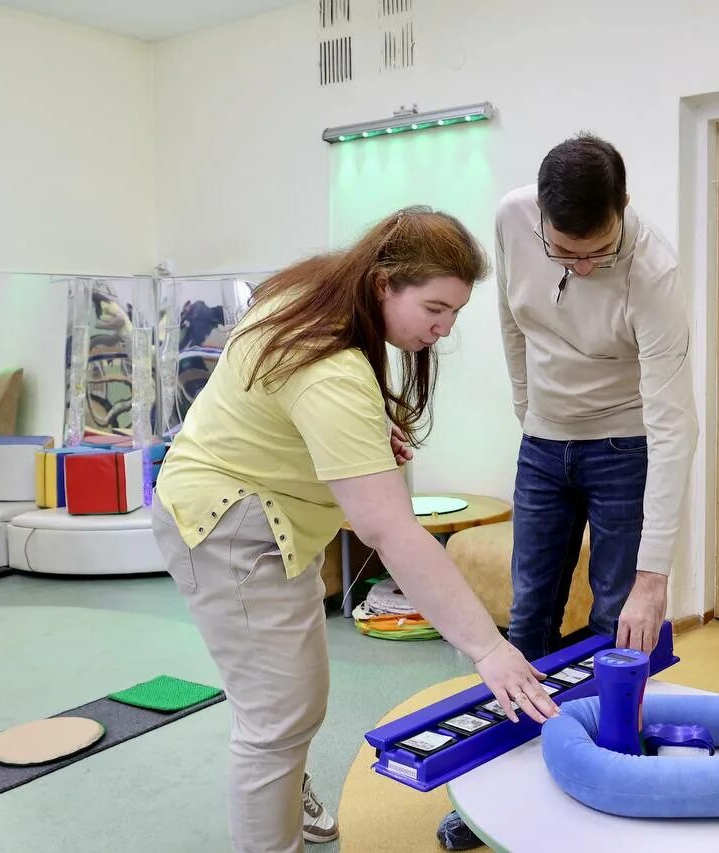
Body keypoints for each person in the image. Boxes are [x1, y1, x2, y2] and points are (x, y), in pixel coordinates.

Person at [152, 206, 559, 853]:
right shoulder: (331, 366)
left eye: (455, 312)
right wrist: (489, 648)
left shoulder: (315, 288)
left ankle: (284, 775)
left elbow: (274, 392)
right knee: (279, 715)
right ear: (382, 284)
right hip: (231, 521)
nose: (444, 327)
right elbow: (392, 531)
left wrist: (361, 431)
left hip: (261, 504)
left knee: (292, 692)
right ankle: (274, 797)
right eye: (434, 308)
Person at [437, 133, 698, 849]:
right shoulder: (511, 217)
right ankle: (500, 787)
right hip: (543, 441)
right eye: (565, 253)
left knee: (620, 628)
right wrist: (533, 417)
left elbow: (675, 426)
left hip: (627, 444)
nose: (582, 267)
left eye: (598, 253)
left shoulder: (654, 271)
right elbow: (511, 328)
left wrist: (655, 576)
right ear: (541, 220)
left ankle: (606, 788)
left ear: (625, 210)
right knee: (526, 621)